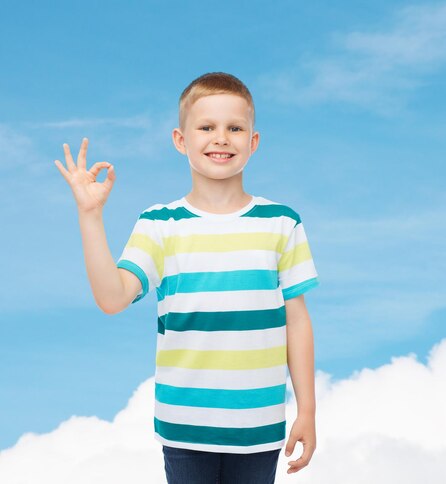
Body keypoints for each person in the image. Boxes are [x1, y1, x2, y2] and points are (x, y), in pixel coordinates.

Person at [54, 71, 320, 483]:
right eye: (207, 127)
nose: (221, 138)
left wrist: (308, 409)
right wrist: (90, 215)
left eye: (235, 128)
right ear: (181, 140)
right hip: (184, 427)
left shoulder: (282, 223)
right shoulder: (159, 224)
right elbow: (112, 299)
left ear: (253, 141)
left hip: (259, 427)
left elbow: (297, 320)